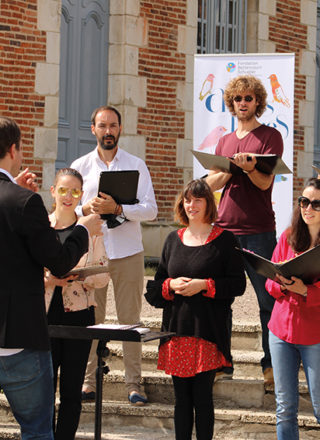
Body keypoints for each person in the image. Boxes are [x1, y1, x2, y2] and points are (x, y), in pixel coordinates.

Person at [0, 116, 102, 440]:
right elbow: (58, 263)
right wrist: (84, 229)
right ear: (14, 150)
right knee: (37, 430)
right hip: (19, 336)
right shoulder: (26, 203)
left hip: (61, 320)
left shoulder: (18, 198)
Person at [145, 179, 246, 440]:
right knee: (181, 401)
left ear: (208, 204)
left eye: (198, 200)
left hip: (207, 334)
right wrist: (170, 284)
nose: (192, 205)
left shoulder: (226, 240)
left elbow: (238, 285)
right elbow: (155, 289)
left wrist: (205, 285)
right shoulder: (172, 240)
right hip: (177, 334)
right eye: (188, 200)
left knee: (202, 400)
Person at [71, 105, 158, 405]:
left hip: (128, 253)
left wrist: (119, 209)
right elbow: (68, 207)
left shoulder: (136, 165)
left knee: (130, 321)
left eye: (113, 125)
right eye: (102, 125)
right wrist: (88, 208)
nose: (108, 131)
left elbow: (151, 209)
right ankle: (87, 383)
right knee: (91, 320)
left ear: (120, 129)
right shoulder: (80, 166)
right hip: (93, 255)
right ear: (93, 129)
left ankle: (134, 384)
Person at [206, 75, 284, 384]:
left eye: (249, 98)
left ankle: (271, 365)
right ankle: (223, 363)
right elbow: (209, 184)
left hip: (259, 230)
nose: (243, 103)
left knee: (268, 300)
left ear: (258, 103)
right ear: (231, 103)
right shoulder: (224, 141)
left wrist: (250, 167)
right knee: (219, 299)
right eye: (238, 99)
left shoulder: (270, 137)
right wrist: (228, 169)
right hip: (223, 229)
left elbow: (266, 182)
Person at [44, 168, 109, 439]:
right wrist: (47, 279)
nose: (68, 196)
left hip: (79, 315)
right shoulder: (41, 227)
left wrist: (81, 278)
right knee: (44, 390)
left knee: (71, 391)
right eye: (63, 190)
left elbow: (104, 274)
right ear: (53, 192)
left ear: (81, 195)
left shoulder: (90, 229)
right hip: (44, 316)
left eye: (74, 191)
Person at [265, 177, 320, 439]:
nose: (308, 208)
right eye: (304, 202)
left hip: (315, 335)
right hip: (281, 332)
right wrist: (283, 285)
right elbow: (269, 283)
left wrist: (306, 291)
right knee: (285, 408)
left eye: (316, 204)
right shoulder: (287, 237)